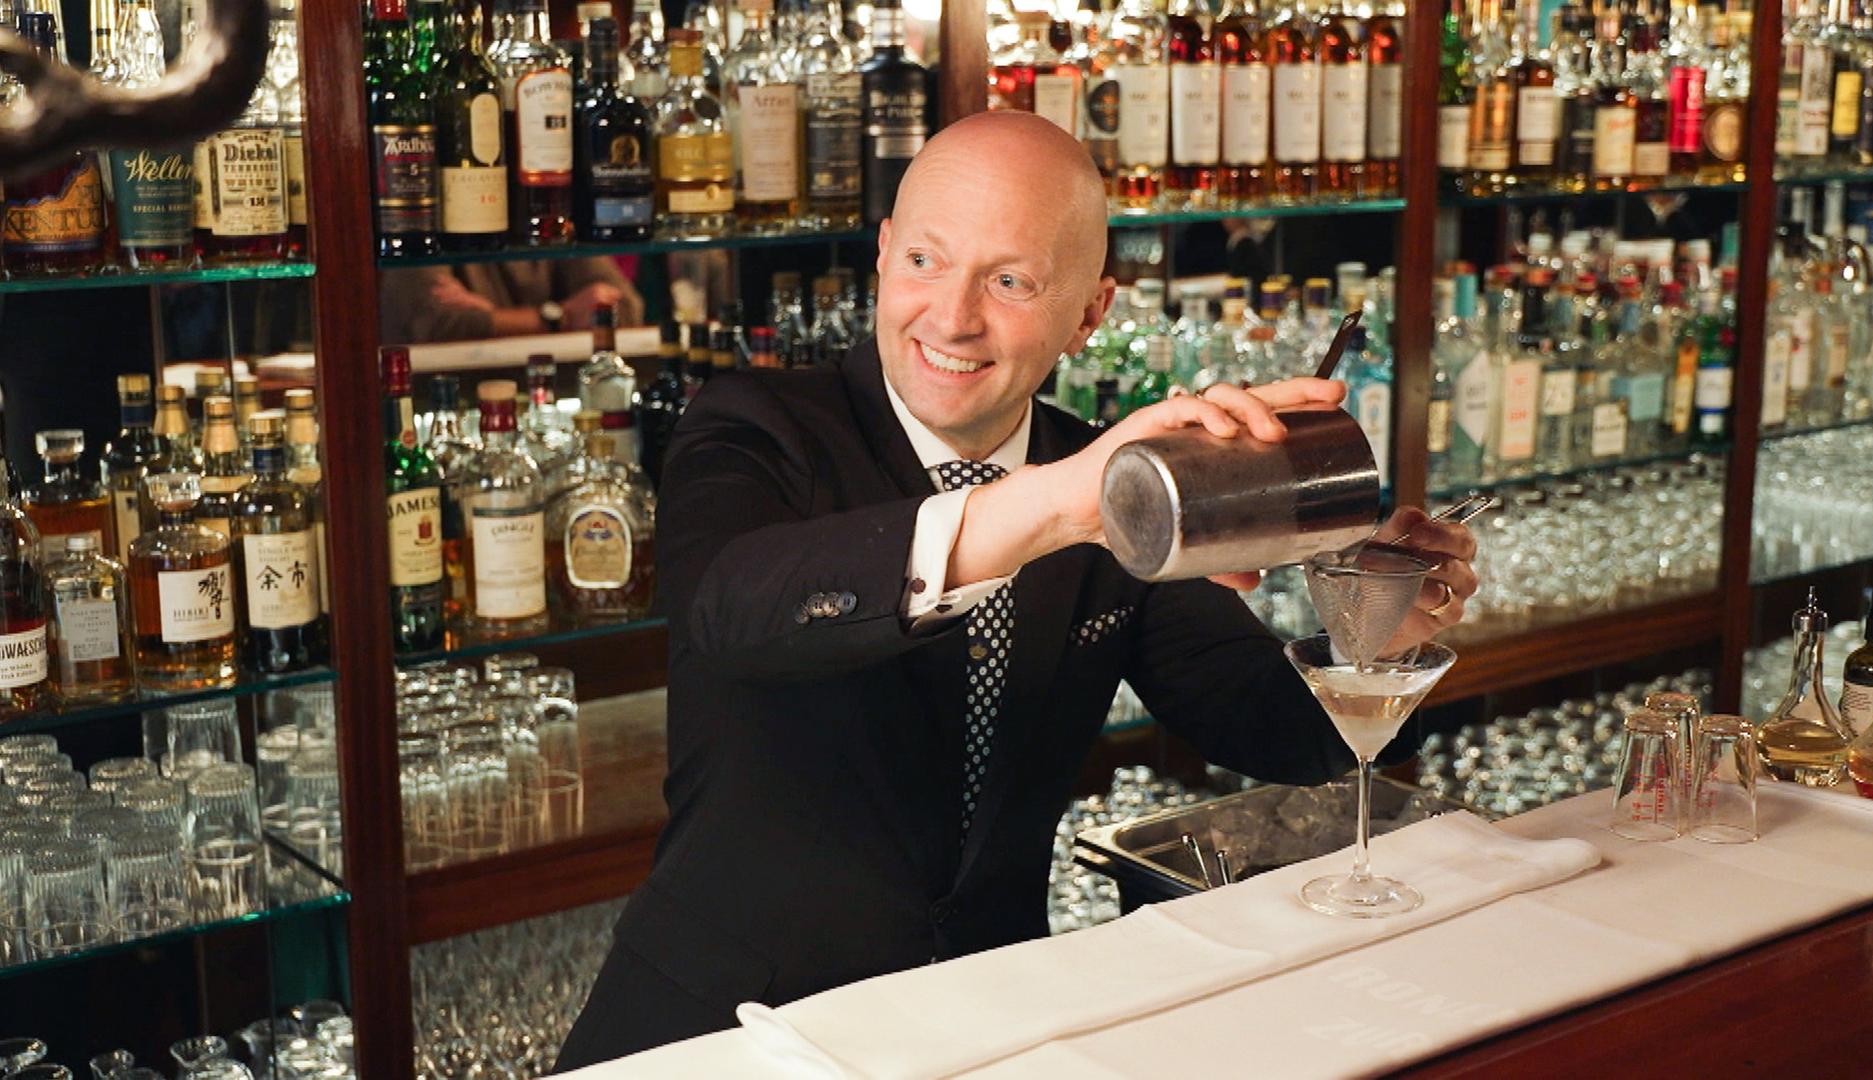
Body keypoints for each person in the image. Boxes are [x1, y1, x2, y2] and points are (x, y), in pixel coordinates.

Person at [554, 112, 1478, 1068]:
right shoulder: (755, 427)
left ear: (1090, 312)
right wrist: (1060, 505)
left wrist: (1383, 628)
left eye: (1010, 282)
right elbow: (737, 613)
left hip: (988, 1021)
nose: (952, 317)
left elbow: (1267, 721)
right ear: (880, 258)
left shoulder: (1105, 475)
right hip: (731, 1030)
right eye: (924, 261)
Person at [377, 258, 645, 343]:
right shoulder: (425, 212)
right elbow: (433, 323)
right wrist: (560, 315)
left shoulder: (550, 213)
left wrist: (494, 315)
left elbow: (626, 309)